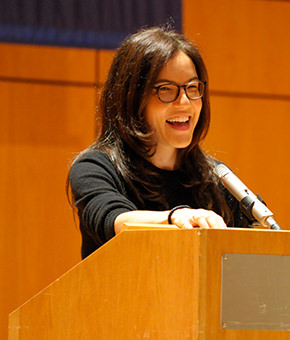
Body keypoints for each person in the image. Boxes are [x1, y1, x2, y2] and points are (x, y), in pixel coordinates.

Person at [68, 26, 251, 259]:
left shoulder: (214, 177)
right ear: (133, 97)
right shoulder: (94, 168)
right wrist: (176, 216)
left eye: (193, 88)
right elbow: (115, 220)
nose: (185, 102)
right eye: (166, 90)